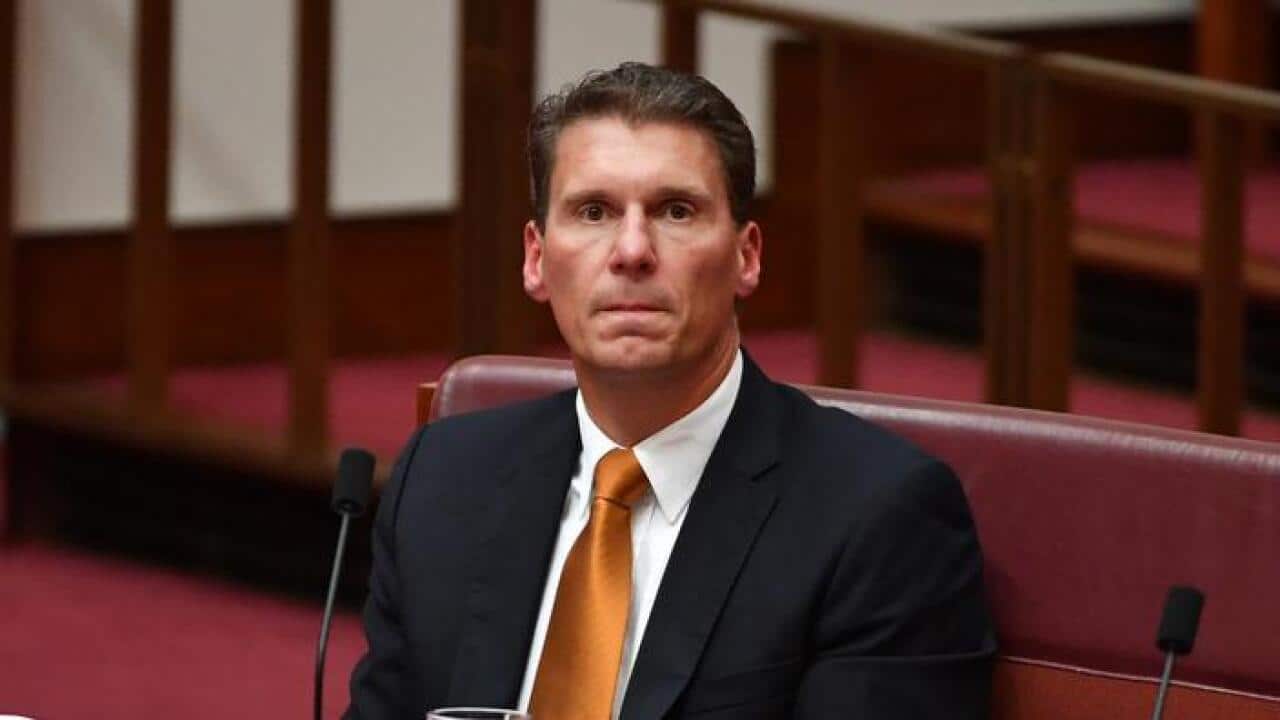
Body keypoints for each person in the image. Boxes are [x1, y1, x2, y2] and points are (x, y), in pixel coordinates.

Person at [345, 62, 995, 720]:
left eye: (675, 211)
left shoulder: (877, 519)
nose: (632, 250)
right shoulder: (443, 480)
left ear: (747, 256)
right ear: (537, 258)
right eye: (593, 211)